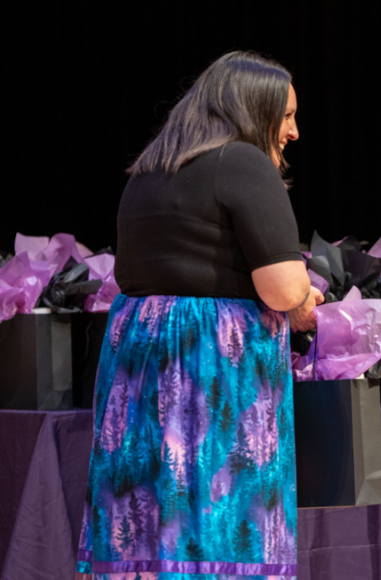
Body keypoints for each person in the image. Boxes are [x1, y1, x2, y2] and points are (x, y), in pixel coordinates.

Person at [75, 51, 322, 580]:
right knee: (213, 520)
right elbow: (282, 287)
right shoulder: (241, 160)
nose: (294, 132)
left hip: (141, 363)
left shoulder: (149, 168)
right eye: (286, 117)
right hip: (210, 367)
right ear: (253, 112)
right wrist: (302, 300)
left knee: (150, 519)